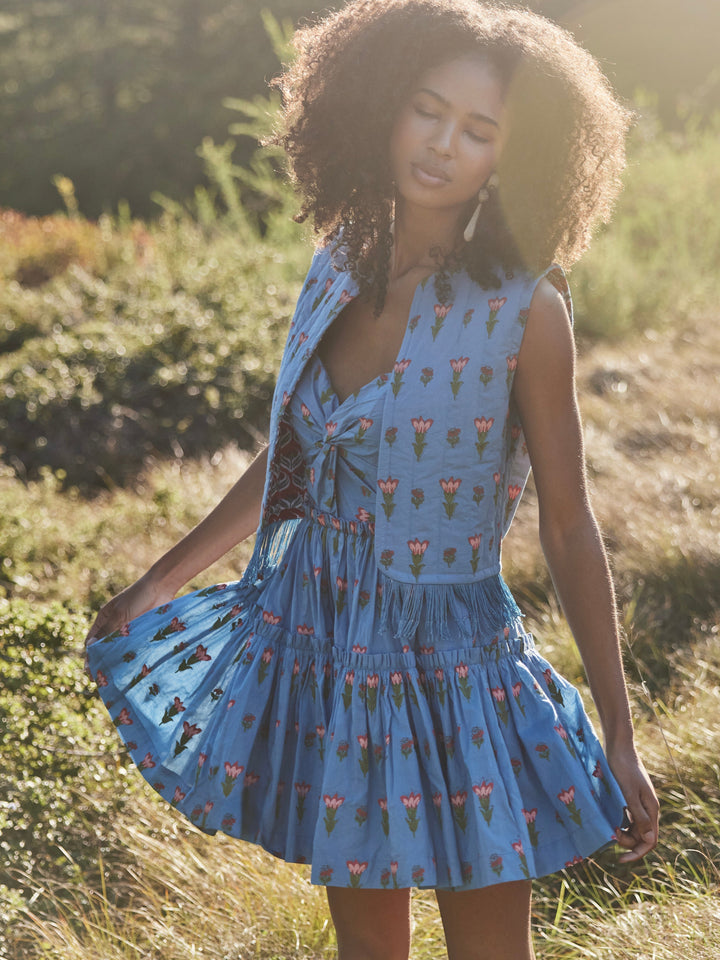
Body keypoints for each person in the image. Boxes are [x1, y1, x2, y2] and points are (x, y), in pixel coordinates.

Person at [85, 1, 660, 957]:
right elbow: (298, 460)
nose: (441, 145)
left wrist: (621, 732)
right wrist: (159, 581)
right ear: (383, 105)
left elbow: (569, 524)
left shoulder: (525, 312)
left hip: (449, 659)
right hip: (326, 638)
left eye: (478, 131)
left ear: (513, 158)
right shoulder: (339, 261)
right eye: (426, 111)